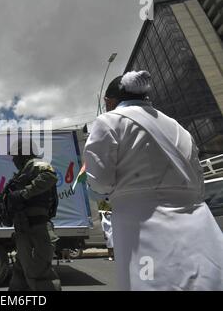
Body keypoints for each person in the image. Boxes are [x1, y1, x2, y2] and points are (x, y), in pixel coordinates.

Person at [84, 70, 223, 290]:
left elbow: (101, 183)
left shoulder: (108, 121)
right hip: (198, 225)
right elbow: (198, 181)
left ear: (109, 101)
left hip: (143, 225)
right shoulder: (179, 127)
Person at [5, 139, 61, 291]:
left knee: (40, 274)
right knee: (21, 275)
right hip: (24, 230)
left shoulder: (37, 165)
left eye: (15, 155)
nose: (13, 159)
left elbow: (49, 177)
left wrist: (24, 194)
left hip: (38, 229)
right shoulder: (21, 174)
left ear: (24, 154)